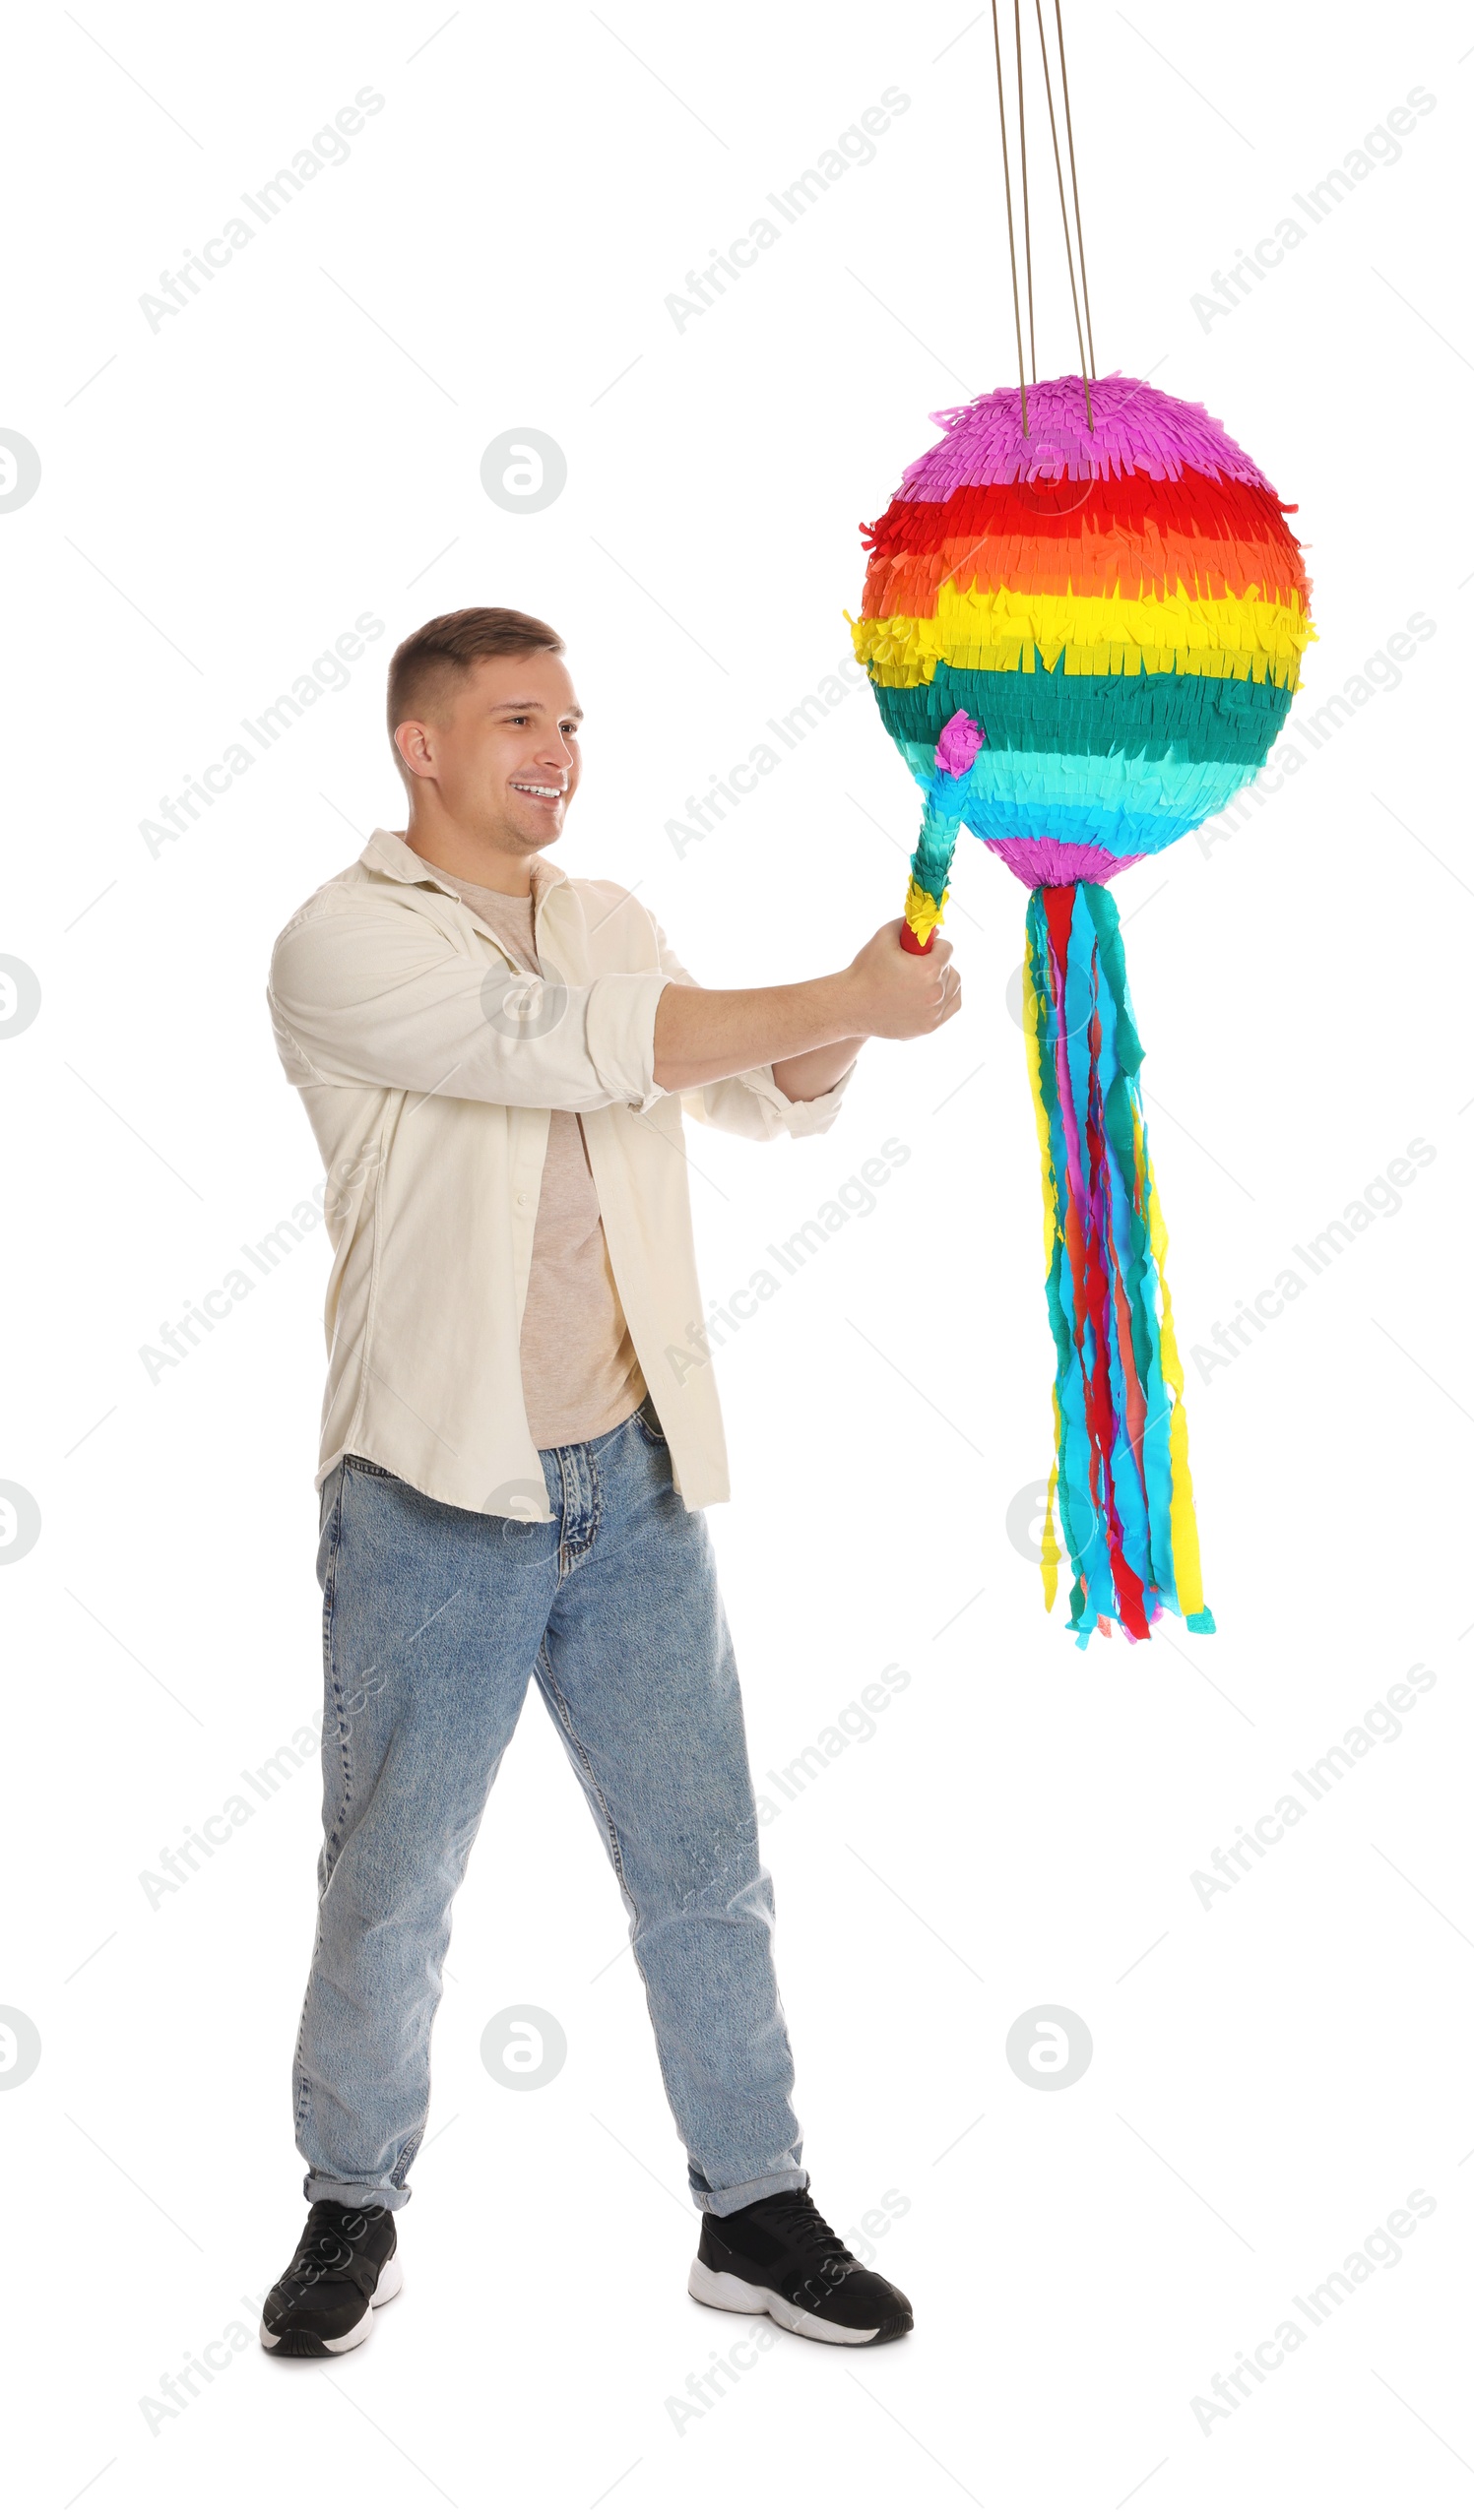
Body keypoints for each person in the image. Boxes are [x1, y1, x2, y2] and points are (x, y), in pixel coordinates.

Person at [257, 605, 961, 2358]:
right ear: (422, 746)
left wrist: (854, 1013)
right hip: (433, 1489)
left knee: (706, 1868)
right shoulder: (342, 943)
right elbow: (566, 1047)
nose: (557, 750)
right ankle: (351, 2206)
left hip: (630, 1478)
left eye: (572, 721)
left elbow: (755, 1093)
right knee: (393, 1880)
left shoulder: (613, 918)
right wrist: (817, 1006)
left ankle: (756, 2209)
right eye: (517, 720)